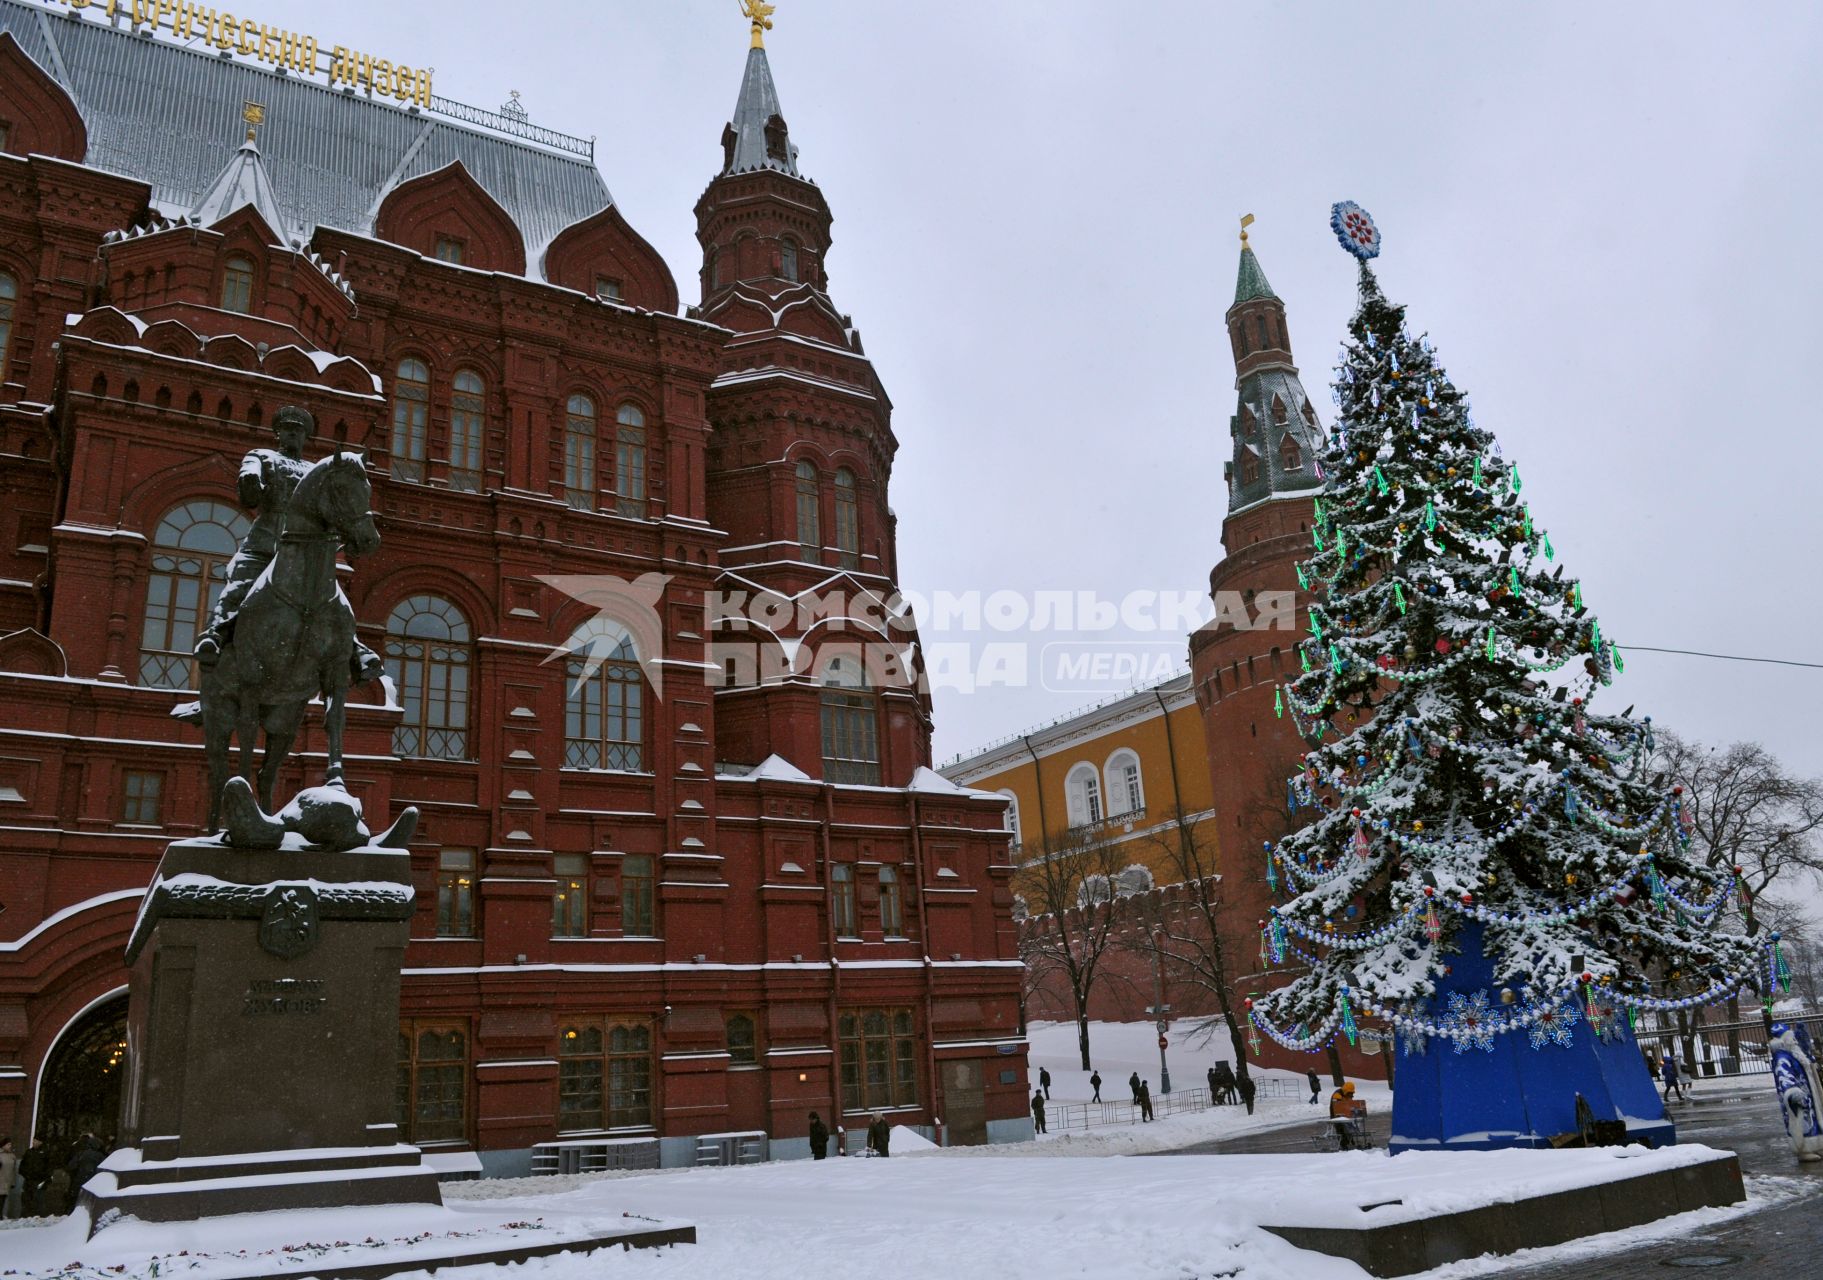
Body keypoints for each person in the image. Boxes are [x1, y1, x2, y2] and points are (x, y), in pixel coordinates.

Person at [193, 407, 382, 683]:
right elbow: (250, 488)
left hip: (302, 554)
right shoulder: (262, 457)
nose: (293, 434)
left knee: (333, 597)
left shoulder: (314, 470)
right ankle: (214, 635)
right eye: (288, 429)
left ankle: (355, 649)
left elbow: (331, 508)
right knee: (240, 583)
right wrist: (250, 481)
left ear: (305, 436)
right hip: (264, 542)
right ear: (279, 433)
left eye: (299, 430)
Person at [66, 1133, 103, 1203]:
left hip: (79, 1180)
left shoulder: (81, 1153)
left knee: (75, 1202)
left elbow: (71, 1166)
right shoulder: (100, 1156)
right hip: (92, 1183)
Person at [19, 1136, 49, 1217]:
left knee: (38, 1201)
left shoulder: (46, 1153)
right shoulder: (29, 1152)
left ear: (40, 1142)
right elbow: (22, 1166)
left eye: (35, 1140)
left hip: (39, 1181)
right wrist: (26, 1174)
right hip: (28, 1180)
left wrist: (45, 1179)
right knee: (26, 1200)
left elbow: (49, 1168)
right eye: (33, 1140)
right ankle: (25, 1217)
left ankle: (39, 1217)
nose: (33, 1142)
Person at [0, 1136, 16, 1221]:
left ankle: (2, 1215)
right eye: (8, 1144)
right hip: (1, 1180)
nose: (10, 1146)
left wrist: (13, 1182)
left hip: (7, 1181)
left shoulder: (12, 1156)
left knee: (3, 1200)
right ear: (3, 1146)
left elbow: (13, 1170)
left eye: (10, 1144)